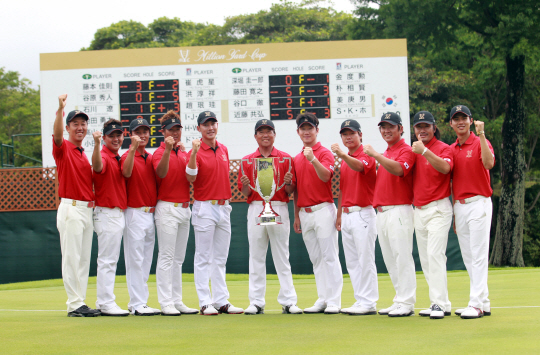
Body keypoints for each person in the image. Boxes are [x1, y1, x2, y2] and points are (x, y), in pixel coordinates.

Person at [238, 119, 302, 315]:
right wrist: (246, 184)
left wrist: (289, 182)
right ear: (255, 136)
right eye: (261, 131)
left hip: (279, 206)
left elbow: (290, 190)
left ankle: (289, 301)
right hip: (257, 207)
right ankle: (256, 301)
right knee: (256, 256)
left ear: (274, 135)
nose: (265, 135)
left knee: (282, 255)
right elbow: (246, 193)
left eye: (269, 131)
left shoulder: (286, 159)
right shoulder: (247, 161)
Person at [186, 111, 244, 315]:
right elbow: (191, 177)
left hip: (224, 207)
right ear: (199, 128)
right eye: (205, 124)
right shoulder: (195, 151)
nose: (210, 128)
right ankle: (204, 302)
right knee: (203, 256)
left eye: (213, 123)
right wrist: (193, 153)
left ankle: (221, 300)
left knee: (220, 257)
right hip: (204, 207)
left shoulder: (223, 150)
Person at [364, 112, 417, 317]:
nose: (386, 130)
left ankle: (407, 302)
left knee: (402, 257)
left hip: (400, 209)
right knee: (390, 259)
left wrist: (376, 155)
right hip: (383, 211)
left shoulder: (406, 150)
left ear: (400, 128)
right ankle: (399, 298)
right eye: (383, 127)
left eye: (391, 127)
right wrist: (380, 155)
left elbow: (399, 171)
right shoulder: (387, 151)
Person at [53, 94, 100, 317]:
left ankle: (79, 302)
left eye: (83, 124)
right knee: (71, 258)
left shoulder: (82, 154)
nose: (80, 127)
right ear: (68, 127)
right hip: (70, 208)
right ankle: (73, 303)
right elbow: (57, 134)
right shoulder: (63, 148)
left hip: (86, 209)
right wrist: (60, 109)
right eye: (75, 124)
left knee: (82, 259)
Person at [293, 113, 343, 314]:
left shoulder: (323, 153)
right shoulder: (297, 157)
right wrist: (296, 215)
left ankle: (334, 300)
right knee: (316, 258)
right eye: (303, 128)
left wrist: (313, 158)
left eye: (310, 128)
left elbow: (326, 176)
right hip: (305, 213)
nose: (306, 132)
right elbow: (295, 190)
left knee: (329, 256)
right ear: (298, 132)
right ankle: (323, 298)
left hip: (323, 209)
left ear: (317, 130)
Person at [448, 105, 495, 319]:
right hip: (461, 205)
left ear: (471, 120)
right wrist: (456, 213)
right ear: (451, 124)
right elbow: (451, 183)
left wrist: (482, 134)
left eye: (464, 118)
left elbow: (489, 162)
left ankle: (475, 303)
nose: (460, 122)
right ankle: (483, 302)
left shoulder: (479, 142)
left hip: (479, 203)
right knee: (468, 256)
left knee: (478, 255)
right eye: (456, 118)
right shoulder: (451, 149)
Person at [152, 111, 199, 316]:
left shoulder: (183, 152)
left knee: (178, 259)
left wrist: (186, 152)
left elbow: (191, 178)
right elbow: (161, 173)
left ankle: (177, 300)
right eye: (171, 130)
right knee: (167, 257)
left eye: (178, 129)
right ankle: (166, 302)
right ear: (164, 132)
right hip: (167, 208)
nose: (175, 133)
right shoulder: (158, 152)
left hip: (184, 208)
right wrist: (168, 150)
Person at [331, 119, 378, 316]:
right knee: (352, 261)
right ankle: (360, 299)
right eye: (344, 134)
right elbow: (342, 189)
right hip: (348, 214)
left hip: (364, 212)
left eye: (352, 133)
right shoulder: (345, 160)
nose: (348, 137)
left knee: (365, 259)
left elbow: (360, 167)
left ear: (360, 135)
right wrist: (340, 214)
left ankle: (369, 301)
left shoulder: (366, 154)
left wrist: (341, 154)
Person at [410, 111, 453, 319]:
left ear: (434, 128)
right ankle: (440, 302)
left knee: (435, 255)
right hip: (419, 210)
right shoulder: (413, 150)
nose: (422, 130)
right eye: (419, 127)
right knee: (426, 259)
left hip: (438, 208)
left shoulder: (443, 148)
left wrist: (425, 151)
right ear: (414, 130)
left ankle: (438, 303)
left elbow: (445, 168)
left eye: (426, 126)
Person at [121, 118, 160, 316]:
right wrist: (131, 149)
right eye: (138, 131)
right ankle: (137, 303)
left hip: (150, 213)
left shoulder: (151, 157)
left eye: (145, 131)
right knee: (135, 260)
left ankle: (139, 301)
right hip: (134, 212)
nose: (143, 134)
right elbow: (126, 173)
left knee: (145, 261)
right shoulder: (126, 156)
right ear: (131, 135)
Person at [92, 119, 129, 316]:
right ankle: (106, 302)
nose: (116, 139)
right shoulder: (104, 155)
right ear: (104, 137)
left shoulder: (117, 156)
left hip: (116, 213)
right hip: (107, 212)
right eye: (111, 136)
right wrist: (97, 145)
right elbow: (97, 167)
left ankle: (104, 301)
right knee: (107, 260)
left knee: (110, 259)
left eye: (118, 135)